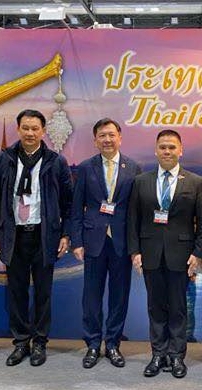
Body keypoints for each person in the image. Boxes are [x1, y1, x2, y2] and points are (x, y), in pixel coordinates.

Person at [0, 109, 73, 367]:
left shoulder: (56, 162)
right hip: (14, 236)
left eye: (35, 128)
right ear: (18, 130)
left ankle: (40, 343)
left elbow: (68, 203)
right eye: (25, 128)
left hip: (44, 236)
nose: (30, 133)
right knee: (16, 292)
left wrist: (66, 233)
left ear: (43, 131)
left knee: (43, 293)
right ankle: (21, 342)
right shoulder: (5, 159)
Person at [127, 129, 202, 378]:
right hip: (150, 253)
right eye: (162, 147)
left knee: (178, 308)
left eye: (172, 147)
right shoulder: (141, 181)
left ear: (180, 150)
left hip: (181, 256)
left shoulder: (195, 182)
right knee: (155, 307)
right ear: (156, 150)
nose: (167, 151)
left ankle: (176, 356)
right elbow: (133, 220)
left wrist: (198, 253)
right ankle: (158, 354)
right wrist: (135, 252)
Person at [70, 118, 141, 369]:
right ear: (95, 140)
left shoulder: (133, 167)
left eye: (111, 135)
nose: (107, 140)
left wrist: (136, 248)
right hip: (93, 241)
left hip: (122, 242)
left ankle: (112, 344)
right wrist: (77, 241)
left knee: (119, 297)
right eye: (102, 135)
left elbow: (137, 211)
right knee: (91, 297)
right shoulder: (86, 168)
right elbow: (76, 208)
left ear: (120, 138)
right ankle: (92, 344)